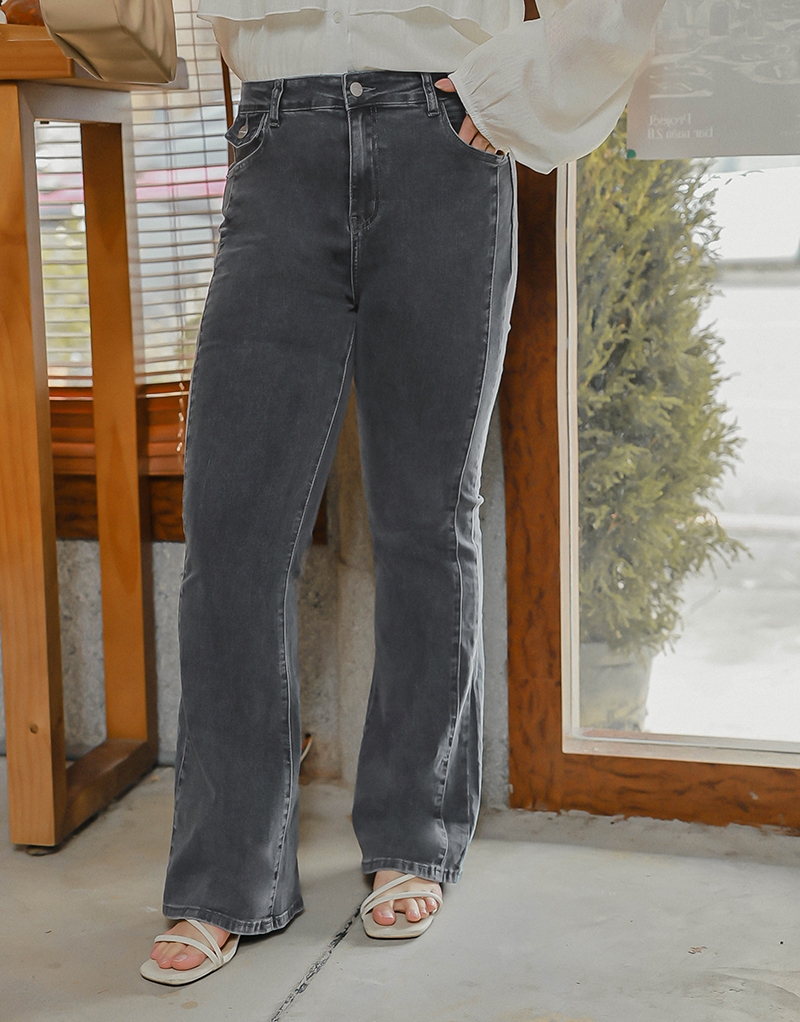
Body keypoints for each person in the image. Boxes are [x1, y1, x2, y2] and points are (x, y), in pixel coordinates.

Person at [140, 0, 668, 985]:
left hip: (442, 137)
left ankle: (412, 833)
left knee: (426, 516)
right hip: (277, 134)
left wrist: (502, 93)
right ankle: (224, 874)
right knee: (232, 528)